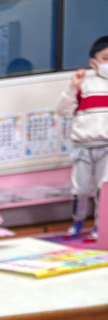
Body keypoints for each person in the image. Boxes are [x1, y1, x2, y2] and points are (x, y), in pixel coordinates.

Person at [56, 35, 108, 239]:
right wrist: (72, 87)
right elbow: (63, 110)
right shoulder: (84, 86)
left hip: (107, 147)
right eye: (105, 58)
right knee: (80, 188)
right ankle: (77, 222)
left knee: (103, 188)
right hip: (82, 146)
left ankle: (100, 226)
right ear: (93, 63)